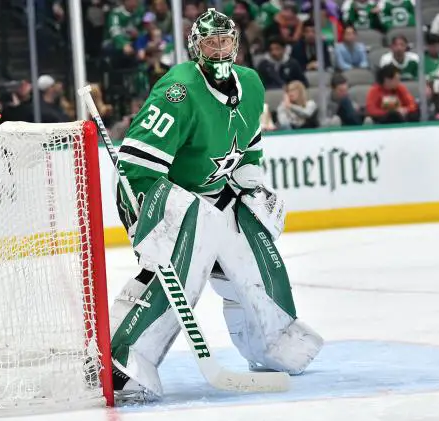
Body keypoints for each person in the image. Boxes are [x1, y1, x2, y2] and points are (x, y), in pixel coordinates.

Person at [110, 8, 323, 401]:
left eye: (225, 41)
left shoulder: (252, 83)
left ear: (236, 45)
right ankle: (126, 360)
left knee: (254, 257)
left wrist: (253, 185)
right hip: (169, 196)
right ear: (196, 46)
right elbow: (135, 167)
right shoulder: (179, 91)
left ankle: (272, 344)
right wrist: (151, 215)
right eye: (210, 42)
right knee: (181, 277)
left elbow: (249, 150)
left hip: (217, 194)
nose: (219, 49)